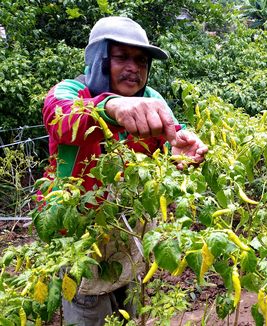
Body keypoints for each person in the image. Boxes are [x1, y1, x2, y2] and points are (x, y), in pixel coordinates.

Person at [42, 16, 208, 325]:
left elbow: (173, 138)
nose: (133, 67)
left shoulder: (151, 101)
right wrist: (111, 106)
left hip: (128, 231)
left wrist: (181, 149)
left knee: (129, 308)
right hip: (80, 235)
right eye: (121, 57)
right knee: (88, 307)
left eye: (141, 61)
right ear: (99, 60)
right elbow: (61, 120)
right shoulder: (68, 93)